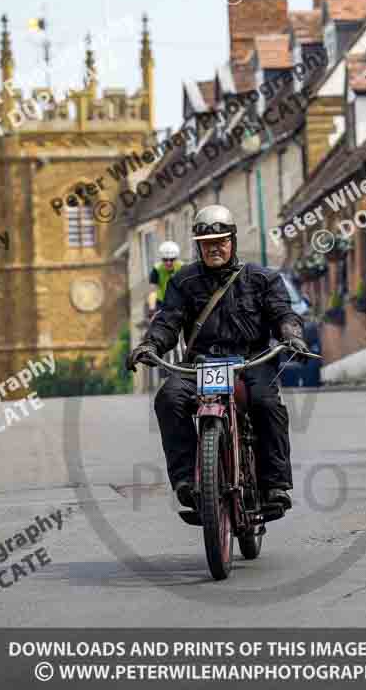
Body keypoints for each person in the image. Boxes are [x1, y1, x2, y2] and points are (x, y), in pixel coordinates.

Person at [126, 205, 310, 512]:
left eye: (221, 241)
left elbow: (283, 314)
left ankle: (274, 484)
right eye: (208, 244)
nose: (215, 248)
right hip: (200, 364)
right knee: (168, 398)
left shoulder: (262, 279)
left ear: (233, 241)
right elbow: (168, 320)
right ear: (198, 246)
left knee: (267, 404)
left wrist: (292, 336)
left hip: (251, 361)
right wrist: (150, 345)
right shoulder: (183, 282)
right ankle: (186, 481)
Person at [148, 241, 183, 314]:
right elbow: (152, 291)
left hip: (180, 303)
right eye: (165, 260)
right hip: (162, 303)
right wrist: (152, 309)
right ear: (161, 259)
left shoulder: (182, 268)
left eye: (172, 259)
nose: (168, 263)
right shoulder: (157, 269)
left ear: (176, 258)